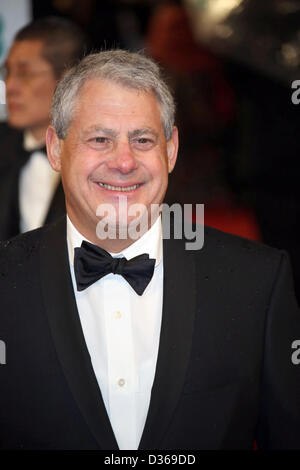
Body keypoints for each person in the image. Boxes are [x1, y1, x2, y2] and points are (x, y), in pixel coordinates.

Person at [0, 50, 299, 451]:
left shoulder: (258, 283)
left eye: (142, 139)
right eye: (100, 139)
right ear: (55, 147)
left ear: (171, 150)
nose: (124, 161)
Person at [0, 16, 86, 240]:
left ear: (67, 81)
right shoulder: (4, 143)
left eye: (25, 74)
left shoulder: (100, 153)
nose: (10, 87)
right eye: (7, 72)